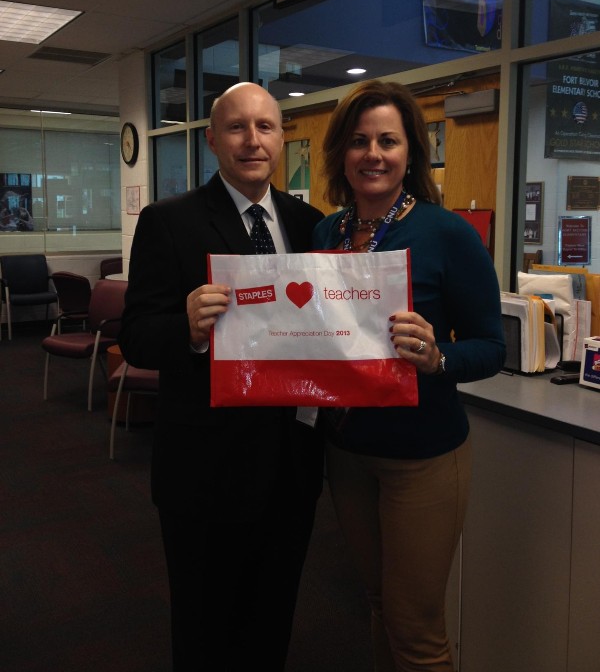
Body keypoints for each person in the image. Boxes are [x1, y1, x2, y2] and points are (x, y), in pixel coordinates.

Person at [119, 82, 325, 671]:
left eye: (265, 127)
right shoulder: (169, 221)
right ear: (212, 139)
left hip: (290, 466)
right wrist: (183, 327)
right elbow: (134, 335)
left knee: (272, 622)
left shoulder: (309, 225)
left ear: (282, 138)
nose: (252, 140)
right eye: (237, 127)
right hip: (204, 473)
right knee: (205, 632)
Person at [313, 80, 506, 672]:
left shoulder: (447, 234)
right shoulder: (327, 235)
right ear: (342, 154)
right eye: (360, 140)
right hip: (348, 452)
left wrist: (438, 358)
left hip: (423, 457)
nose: (373, 153)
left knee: (418, 629)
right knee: (377, 606)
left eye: (388, 141)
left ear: (410, 153)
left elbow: (491, 348)